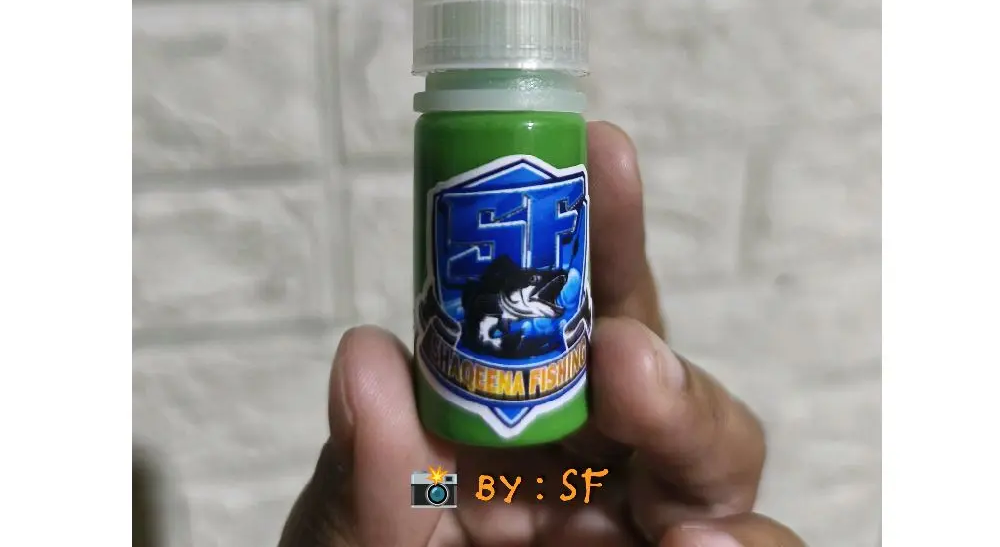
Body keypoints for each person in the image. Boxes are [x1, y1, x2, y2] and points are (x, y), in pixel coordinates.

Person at [278, 123, 808, 547]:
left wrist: (576, 491)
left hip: (530, 488)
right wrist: (399, 502)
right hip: (459, 485)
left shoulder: (575, 478)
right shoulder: (437, 484)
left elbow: (461, 493)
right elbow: (428, 494)